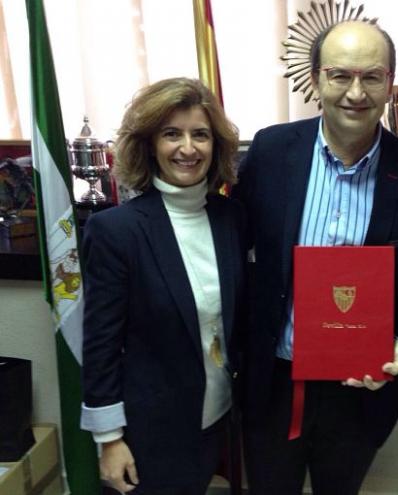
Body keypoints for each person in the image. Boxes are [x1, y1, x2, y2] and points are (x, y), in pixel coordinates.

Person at [233, 20, 398, 495]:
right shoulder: (270, 151)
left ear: (390, 84)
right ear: (316, 80)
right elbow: (234, 241)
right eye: (339, 75)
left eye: (372, 76)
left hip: (360, 387)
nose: (356, 92)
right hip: (273, 380)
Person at [80, 77, 245, 494]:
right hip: (149, 432)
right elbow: (100, 343)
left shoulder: (232, 219)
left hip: (217, 417)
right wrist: (110, 440)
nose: (188, 148)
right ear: (150, 144)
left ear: (216, 146)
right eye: (172, 134)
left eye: (200, 135)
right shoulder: (116, 230)